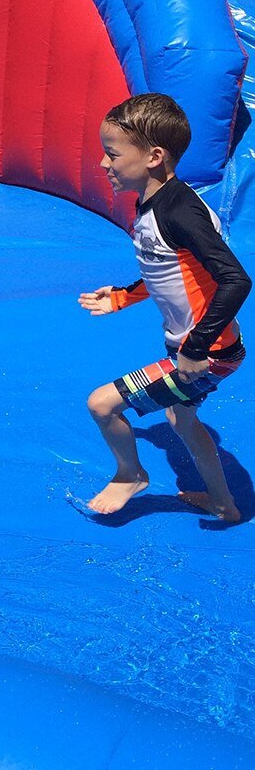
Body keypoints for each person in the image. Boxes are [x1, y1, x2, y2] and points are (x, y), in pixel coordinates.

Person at [79, 93, 252, 522]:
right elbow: (168, 268)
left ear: (154, 157)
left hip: (206, 354)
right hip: (198, 347)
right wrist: (121, 296)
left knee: (102, 405)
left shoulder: (180, 213)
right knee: (183, 421)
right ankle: (224, 505)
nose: (103, 163)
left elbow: (236, 280)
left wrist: (195, 348)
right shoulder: (153, 201)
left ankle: (130, 474)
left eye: (113, 154)